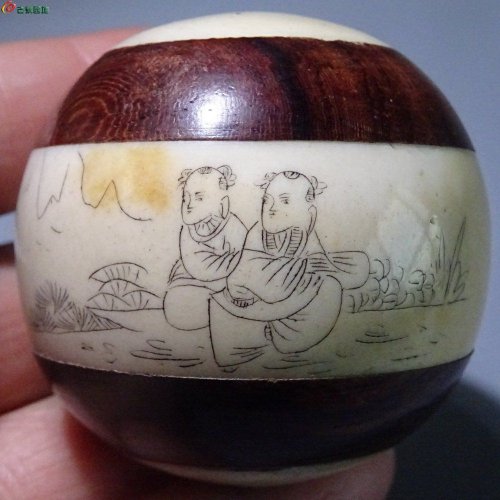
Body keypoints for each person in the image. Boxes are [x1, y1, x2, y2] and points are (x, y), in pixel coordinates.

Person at [0, 30, 394, 498]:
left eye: (285, 203)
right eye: (188, 199)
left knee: (321, 295)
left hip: (268, 311)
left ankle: (263, 331)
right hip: (219, 301)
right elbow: (223, 273)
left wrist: (305, 274)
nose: (272, 211)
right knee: (189, 306)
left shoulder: (262, 232)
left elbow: (289, 270)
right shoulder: (204, 235)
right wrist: (247, 288)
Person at [213, 171, 343, 354]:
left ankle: (287, 340)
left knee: (331, 287)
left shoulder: (306, 234)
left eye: (285, 201)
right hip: (254, 295)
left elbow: (318, 264)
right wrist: (293, 268)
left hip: (292, 295)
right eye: (267, 201)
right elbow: (247, 269)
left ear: (310, 213)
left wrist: (311, 268)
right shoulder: (257, 232)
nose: (271, 208)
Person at [164, 165, 247, 330]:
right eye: (185, 198)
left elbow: (245, 258)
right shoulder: (188, 230)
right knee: (175, 303)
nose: (189, 205)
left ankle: (225, 308)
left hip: (228, 283)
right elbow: (196, 266)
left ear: (223, 204)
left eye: (199, 198)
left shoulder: (233, 225)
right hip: (192, 281)